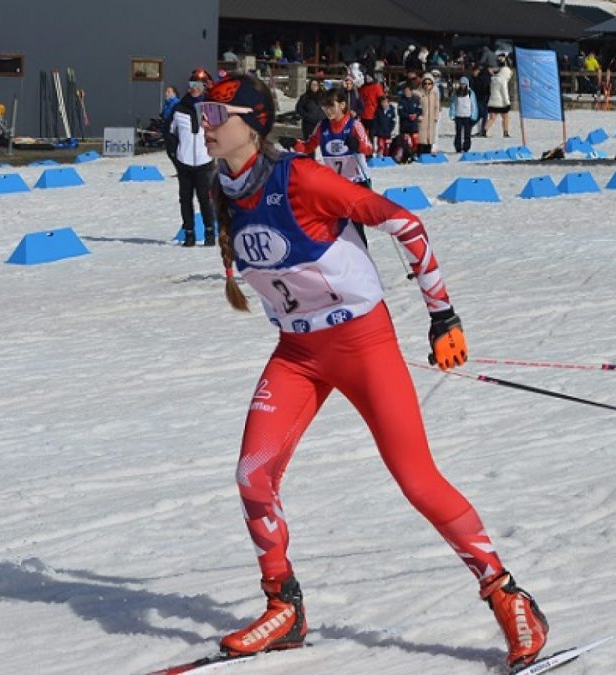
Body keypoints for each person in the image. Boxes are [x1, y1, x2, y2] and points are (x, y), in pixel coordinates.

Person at [196, 73, 549, 671]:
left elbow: (406, 224)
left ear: (253, 122)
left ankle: (507, 594)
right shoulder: (223, 186)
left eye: (216, 113)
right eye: (202, 112)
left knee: (416, 479)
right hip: (297, 352)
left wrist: (443, 317)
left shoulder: (300, 177)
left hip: (362, 342)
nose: (205, 124)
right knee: (253, 475)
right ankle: (283, 605)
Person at [279, 87, 373, 245]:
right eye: (325, 107)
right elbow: (308, 147)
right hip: (335, 184)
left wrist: (357, 145)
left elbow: (369, 148)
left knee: (356, 227)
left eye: (331, 106)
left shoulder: (354, 125)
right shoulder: (322, 127)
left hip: (357, 181)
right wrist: (293, 143)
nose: (328, 111)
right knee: (336, 226)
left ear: (342, 105)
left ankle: (364, 262)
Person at [165, 68, 217, 247]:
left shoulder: (211, 107)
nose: (194, 88)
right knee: (185, 199)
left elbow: (221, 133)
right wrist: (175, 157)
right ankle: (189, 233)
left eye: (197, 85)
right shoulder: (179, 108)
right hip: (185, 162)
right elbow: (170, 134)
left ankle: (210, 232)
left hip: (204, 161)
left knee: (205, 198)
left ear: (204, 86)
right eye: (191, 85)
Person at [484, 55, 513, 138]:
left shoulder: (493, 79)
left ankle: (484, 130)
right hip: (501, 103)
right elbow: (504, 93)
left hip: (492, 102)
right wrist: (507, 103)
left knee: (492, 118)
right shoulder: (503, 80)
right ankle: (505, 132)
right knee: (505, 118)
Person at [449, 76, 478, 153]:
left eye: (464, 84)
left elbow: (473, 104)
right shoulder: (456, 93)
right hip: (458, 116)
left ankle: (466, 147)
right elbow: (453, 104)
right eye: (461, 84)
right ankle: (458, 147)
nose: (462, 85)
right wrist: (452, 113)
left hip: (467, 116)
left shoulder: (471, 93)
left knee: (467, 134)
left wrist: (474, 114)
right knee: (458, 133)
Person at [357, 73, 385, 144]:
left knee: (371, 135)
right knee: (362, 134)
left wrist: (379, 111)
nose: (367, 78)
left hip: (373, 114)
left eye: (369, 76)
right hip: (363, 114)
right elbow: (358, 100)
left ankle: (370, 151)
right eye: (366, 77)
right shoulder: (362, 88)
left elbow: (381, 100)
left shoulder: (377, 87)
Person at [416, 72, 440, 155]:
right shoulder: (419, 93)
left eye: (429, 83)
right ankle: (420, 152)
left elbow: (437, 106)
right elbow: (416, 106)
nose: (427, 85)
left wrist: (436, 116)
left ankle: (428, 151)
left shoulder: (435, 93)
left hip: (431, 118)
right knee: (422, 136)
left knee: (430, 136)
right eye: (425, 83)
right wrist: (418, 115)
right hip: (422, 118)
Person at [470, 63, 492, 136]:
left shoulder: (482, 77)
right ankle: (481, 130)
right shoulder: (483, 77)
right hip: (481, 98)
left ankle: (480, 130)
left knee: (480, 115)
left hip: (481, 98)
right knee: (481, 115)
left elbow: (484, 88)